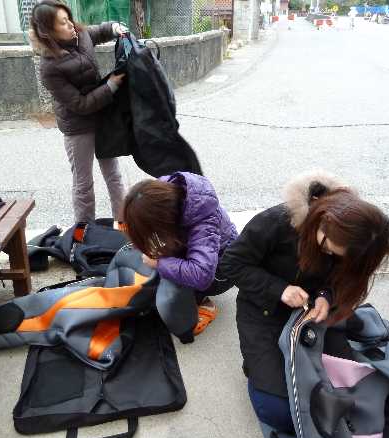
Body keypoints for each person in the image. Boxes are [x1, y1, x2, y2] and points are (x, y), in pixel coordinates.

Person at [219, 170, 389, 433]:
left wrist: (326, 297)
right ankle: (257, 367)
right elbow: (231, 264)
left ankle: (276, 363)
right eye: (327, 249)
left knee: (348, 389)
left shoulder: (359, 238)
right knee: (281, 412)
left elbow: (342, 280)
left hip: (311, 313)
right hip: (263, 311)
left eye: (338, 256)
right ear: (323, 220)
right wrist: (280, 290)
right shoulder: (276, 222)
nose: (329, 255)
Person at [30, 0, 127, 223]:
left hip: (101, 118)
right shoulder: (49, 67)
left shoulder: (81, 35)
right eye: (63, 23)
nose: (71, 25)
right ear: (47, 32)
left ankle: (123, 225)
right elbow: (79, 104)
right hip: (78, 128)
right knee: (83, 184)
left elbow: (101, 31)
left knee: (114, 176)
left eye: (69, 19)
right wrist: (110, 86)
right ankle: (83, 233)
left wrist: (115, 28)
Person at [122, 172, 238, 343]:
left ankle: (204, 304)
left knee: (174, 286)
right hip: (200, 253)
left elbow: (202, 274)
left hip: (223, 269)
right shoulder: (157, 196)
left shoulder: (203, 220)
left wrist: (159, 263)